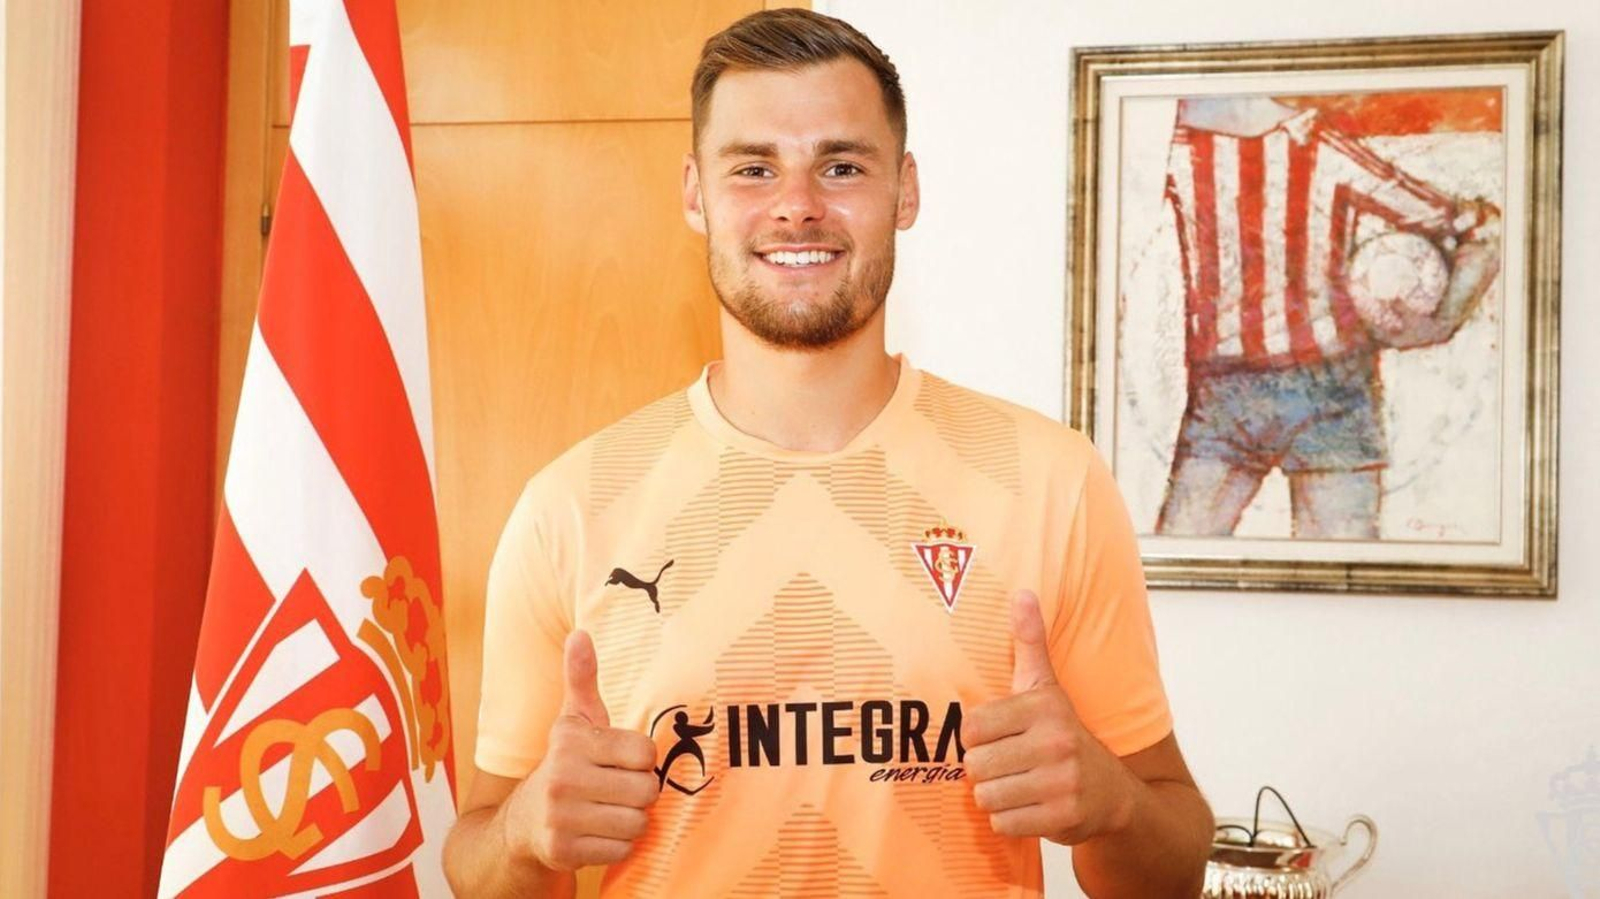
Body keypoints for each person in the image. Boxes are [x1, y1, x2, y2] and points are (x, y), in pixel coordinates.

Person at [442, 9, 1212, 897]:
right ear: (695, 193)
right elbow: (476, 858)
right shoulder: (568, 507)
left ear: (905, 190)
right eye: (753, 168)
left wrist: (1110, 802)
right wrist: (527, 835)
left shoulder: (1051, 482)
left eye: (841, 166)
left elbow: (1173, 862)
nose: (796, 204)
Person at [1154, 95, 1502, 538]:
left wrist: (1442, 321)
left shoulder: (1175, 150)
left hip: (1318, 390)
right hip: (1256, 391)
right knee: (1183, 569)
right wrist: (1443, 320)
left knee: (1340, 578)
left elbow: (1485, 232)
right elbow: (1484, 230)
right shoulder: (1177, 149)